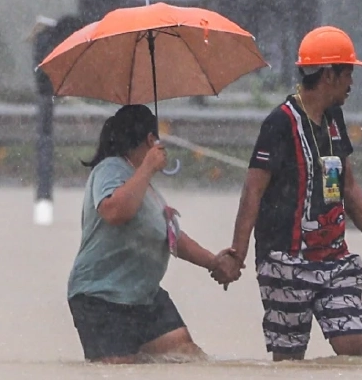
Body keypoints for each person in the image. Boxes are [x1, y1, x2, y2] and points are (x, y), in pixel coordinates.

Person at [216, 26, 362, 361]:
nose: (351, 84)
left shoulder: (334, 120)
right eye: (348, 74)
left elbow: (349, 187)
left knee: (353, 345)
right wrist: (238, 254)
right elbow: (253, 190)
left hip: (333, 257)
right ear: (329, 75)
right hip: (285, 260)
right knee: (289, 360)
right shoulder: (280, 124)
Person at [67, 104, 239, 363]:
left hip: (144, 296)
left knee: (188, 358)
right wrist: (147, 168)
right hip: (101, 297)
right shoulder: (110, 169)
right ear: (151, 140)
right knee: (117, 378)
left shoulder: (146, 189)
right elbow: (114, 211)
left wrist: (213, 262)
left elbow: (172, 237)